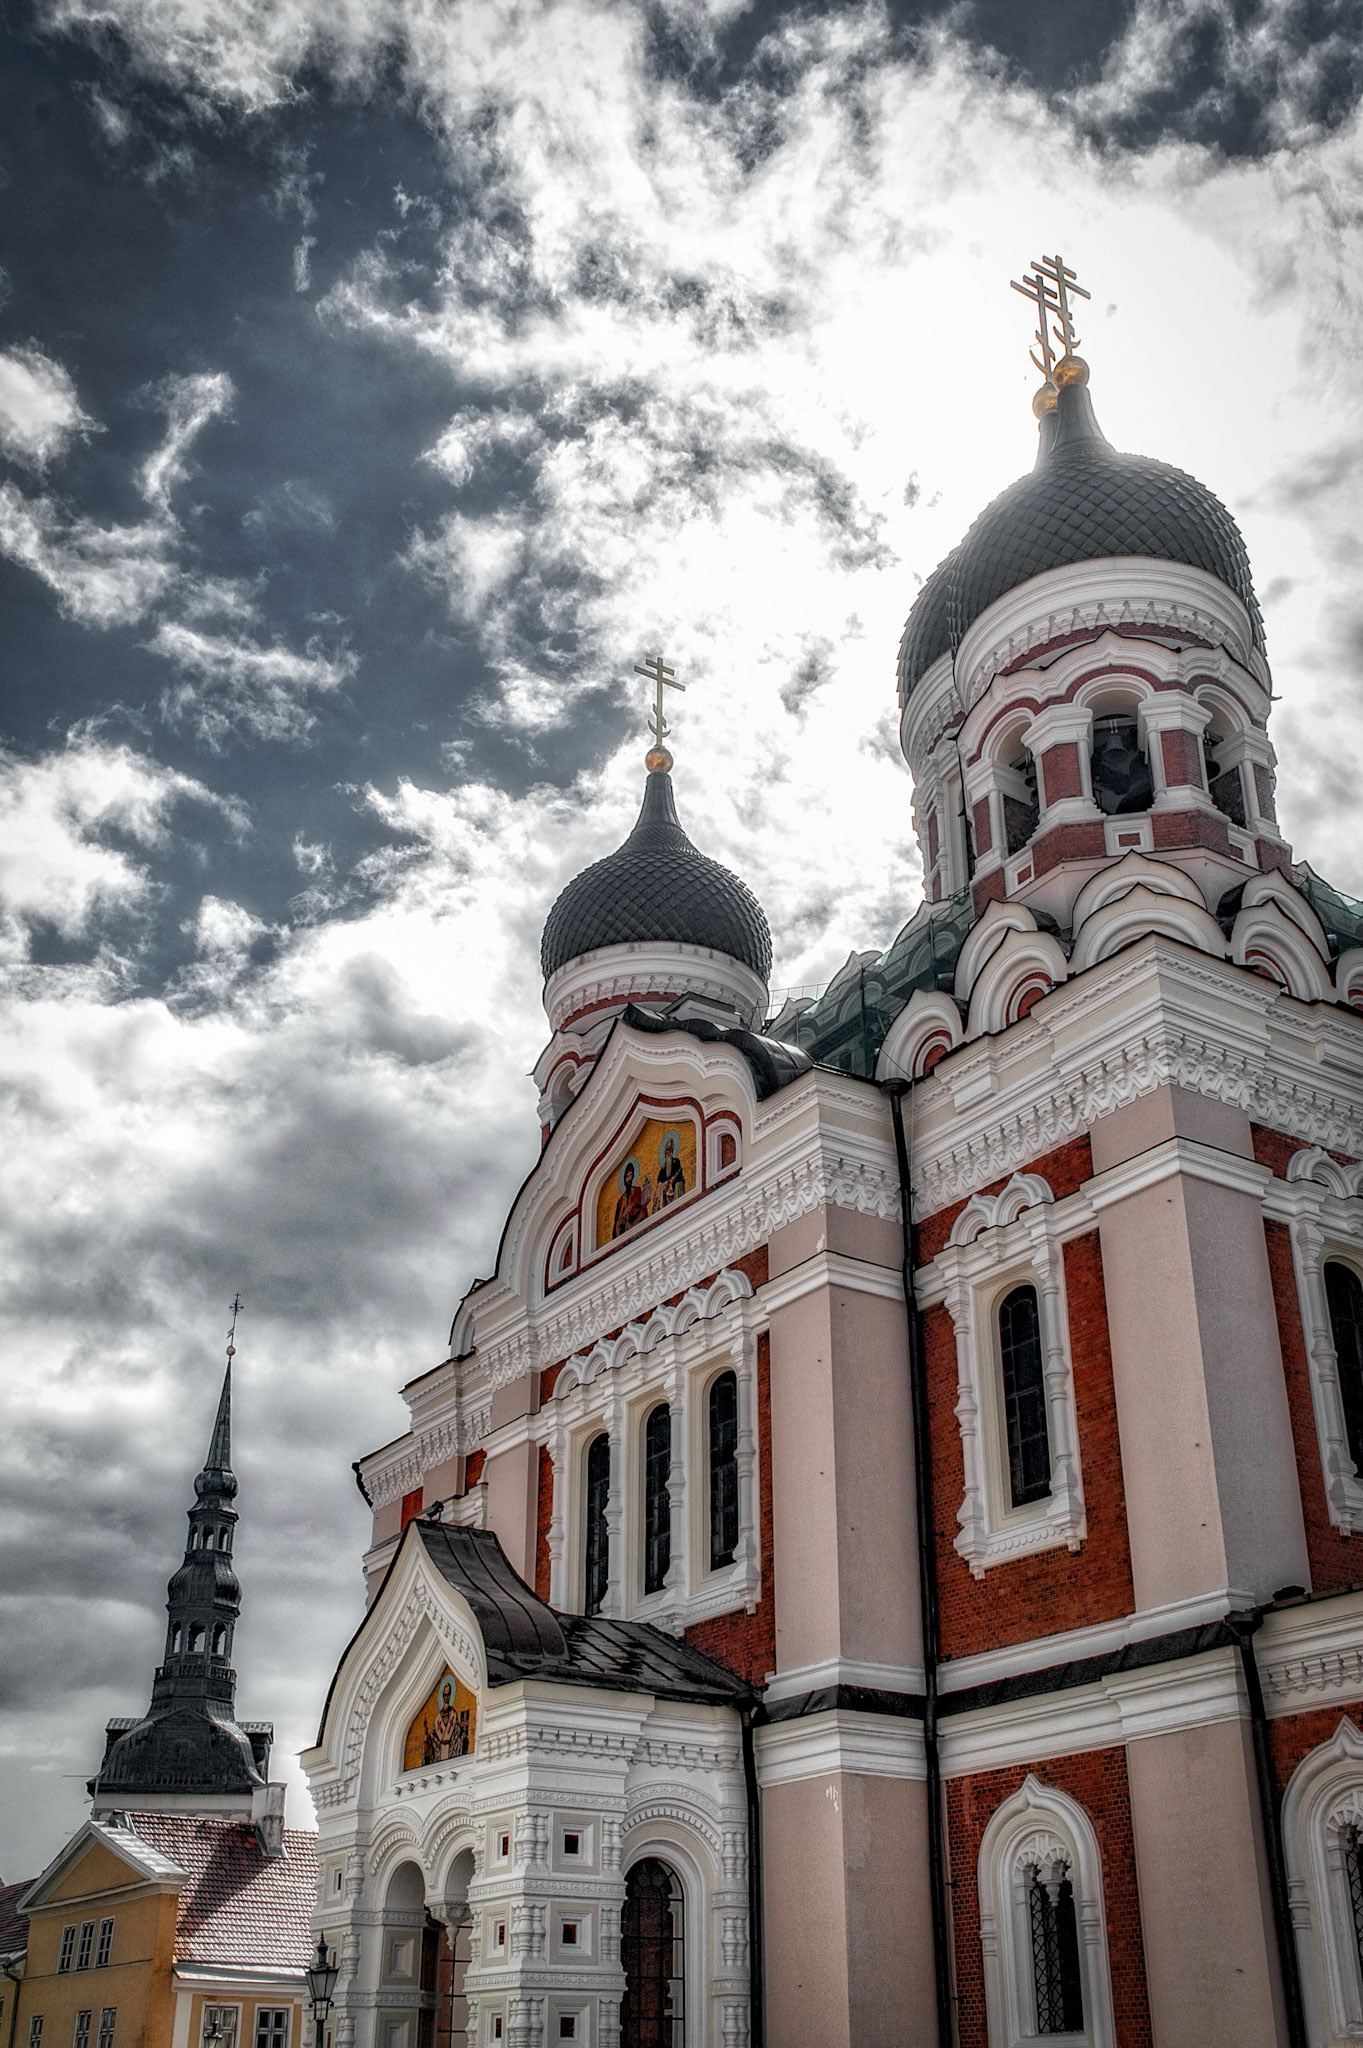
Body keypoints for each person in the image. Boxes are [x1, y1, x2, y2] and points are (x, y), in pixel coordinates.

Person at [612, 1160, 650, 1237]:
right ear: (624, 1179)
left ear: (633, 1176)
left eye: (630, 1175)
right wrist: (624, 1215)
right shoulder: (621, 1200)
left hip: (637, 1222)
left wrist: (632, 1206)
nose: (629, 1179)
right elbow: (617, 1220)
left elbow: (643, 1205)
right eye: (627, 1176)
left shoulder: (637, 1190)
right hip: (625, 1228)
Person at [655, 1134, 685, 1207]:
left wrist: (670, 1183)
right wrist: (664, 1184)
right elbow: (659, 1180)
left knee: (678, 1185)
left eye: (670, 1149)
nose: (669, 1151)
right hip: (665, 1187)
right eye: (667, 1149)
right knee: (659, 1188)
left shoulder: (676, 1161)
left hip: (674, 1184)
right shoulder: (663, 1168)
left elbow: (679, 1174)